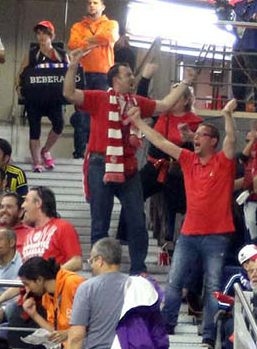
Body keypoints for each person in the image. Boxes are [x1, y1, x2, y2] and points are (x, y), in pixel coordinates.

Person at [62, 45, 188, 276]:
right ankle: (100, 268)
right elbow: (69, 93)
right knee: (100, 221)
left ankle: (139, 268)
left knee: (137, 219)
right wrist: (72, 66)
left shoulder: (136, 102)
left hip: (128, 167)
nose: (132, 78)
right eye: (128, 74)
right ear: (116, 79)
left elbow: (164, 105)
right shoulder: (99, 98)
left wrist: (186, 82)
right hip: (100, 164)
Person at [131, 107, 239, 345]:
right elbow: (160, 141)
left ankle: (209, 335)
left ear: (213, 141)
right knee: (174, 280)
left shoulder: (223, 161)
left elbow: (232, 139)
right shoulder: (188, 159)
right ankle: (167, 324)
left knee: (212, 286)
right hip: (189, 233)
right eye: (195, 135)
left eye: (201, 135)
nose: (195, 138)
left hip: (217, 235)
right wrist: (139, 122)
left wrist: (228, 116)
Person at [67, 0, 120, 160]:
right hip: (82, 73)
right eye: (89, 3)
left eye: (95, 3)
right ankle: (79, 153)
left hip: (104, 73)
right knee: (81, 113)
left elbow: (109, 37)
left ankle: (96, 151)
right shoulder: (78, 26)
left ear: (102, 7)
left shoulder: (111, 24)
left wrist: (85, 41)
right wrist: (96, 41)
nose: (92, 5)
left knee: (100, 113)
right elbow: (73, 44)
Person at [19, 22, 69, 171]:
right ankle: (37, 161)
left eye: (45, 33)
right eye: (39, 33)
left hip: (54, 98)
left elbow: (70, 73)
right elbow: (21, 73)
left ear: (51, 35)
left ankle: (46, 150)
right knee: (34, 129)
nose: (41, 36)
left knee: (59, 124)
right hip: (35, 98)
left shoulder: (61, 54)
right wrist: (19, 87)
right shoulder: (31, 54)